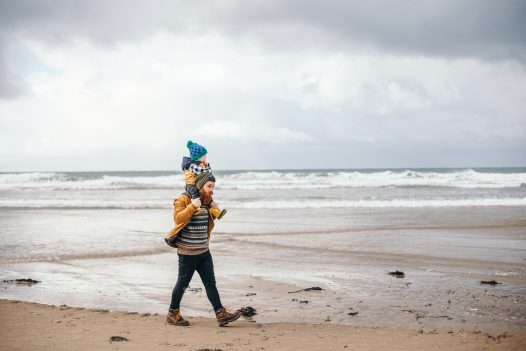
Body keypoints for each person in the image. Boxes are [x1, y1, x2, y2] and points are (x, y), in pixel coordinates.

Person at [165, 172, 242, 327]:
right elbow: (178, 218)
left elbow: (205, 221)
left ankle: (221, 314)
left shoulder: (207, 200)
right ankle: (172, 314)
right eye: (209, 186)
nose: (211, 190)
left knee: (210, 284)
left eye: (213, 187)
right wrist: (193, 205)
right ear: (200, 184)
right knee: (182, 284)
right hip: (187, 253)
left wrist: (215, 210)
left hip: (204, 251)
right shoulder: (183, 199)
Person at [182, 140, 226, 219]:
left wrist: (206, 165)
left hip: (196, 183)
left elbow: (208, 173)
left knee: (209, 199)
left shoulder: (200, 164)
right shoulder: (191, 165)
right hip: (190, 184)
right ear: (197, 157)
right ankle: (197, 208)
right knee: (195, 195)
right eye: (204, 156)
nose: (205, 158)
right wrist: (207, 165)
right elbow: (205, 172)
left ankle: (217, 213)